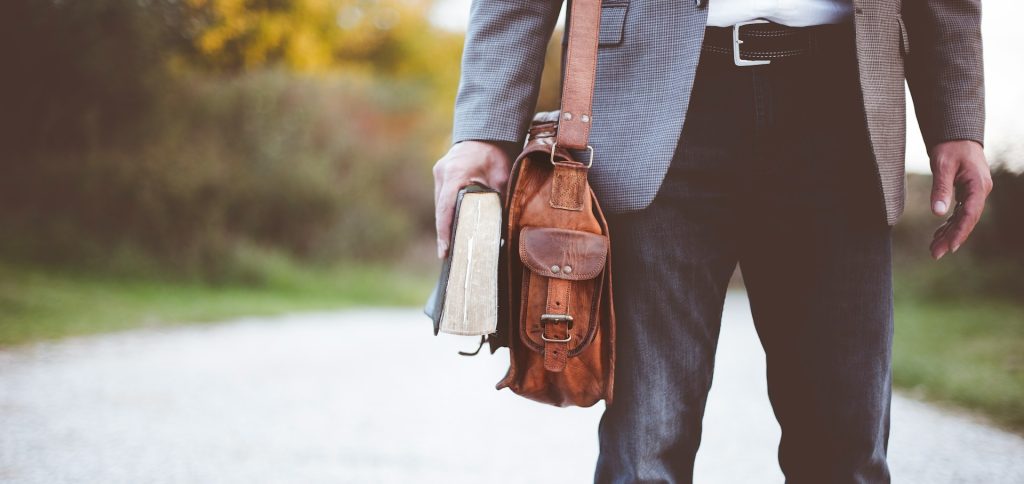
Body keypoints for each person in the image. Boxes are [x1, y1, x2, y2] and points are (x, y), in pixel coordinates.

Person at [431, 0, 992, 482]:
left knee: (846, 450)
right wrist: (485, 128)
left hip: (845, 106)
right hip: (653, 107)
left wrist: (957, 120)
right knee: (645, 448)